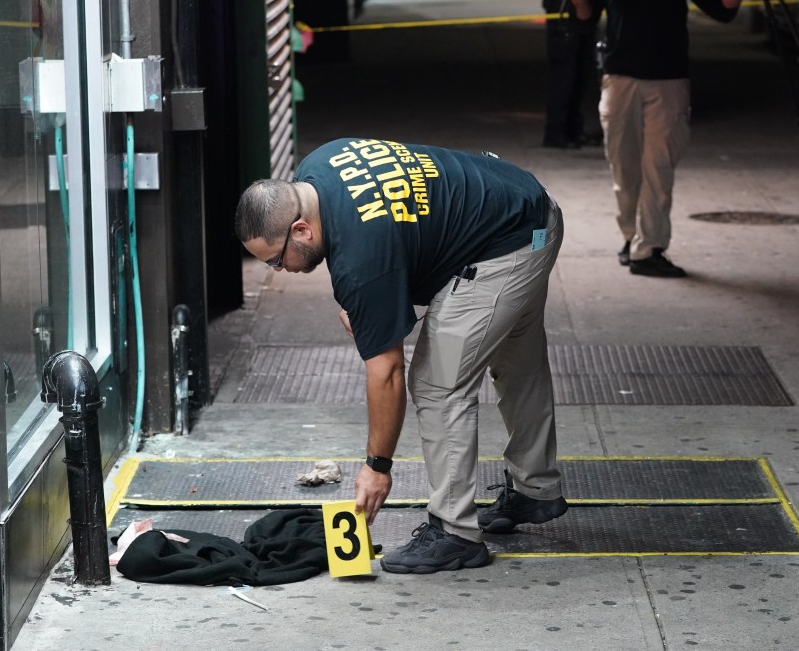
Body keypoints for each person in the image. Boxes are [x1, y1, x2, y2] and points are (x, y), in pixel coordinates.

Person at [235, 138, 568, 574]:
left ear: (301, 230)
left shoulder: (361, 261)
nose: (280, 271)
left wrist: (377, 468)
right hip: (529, 206)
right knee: (516, 361)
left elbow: (388, 371)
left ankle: (455, 533)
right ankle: (535, 490)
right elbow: (393, 226)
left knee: (438, 385)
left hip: (506, 242)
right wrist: (371, 299)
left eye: (277, 261)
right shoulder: (320, 164)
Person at [570, 0, 752, 277]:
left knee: (659, 166)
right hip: (619, 78)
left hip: (668, 81)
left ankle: (649, 248)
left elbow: (722, 8)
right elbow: (585, 15)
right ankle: (631, 237)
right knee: (623, 167)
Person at [536, 0, 601, 149]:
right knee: (564, 73)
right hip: (561, 7)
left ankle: (574, 129)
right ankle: (555, 132)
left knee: (580, 73)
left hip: (584, 5)